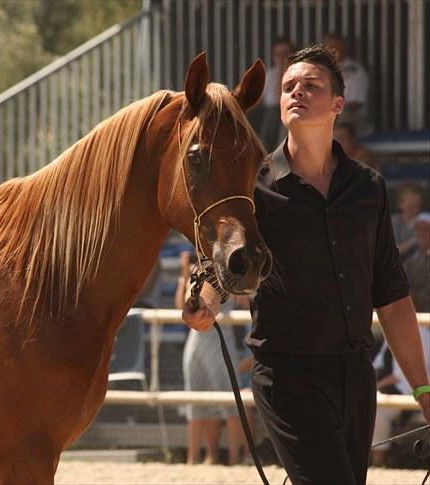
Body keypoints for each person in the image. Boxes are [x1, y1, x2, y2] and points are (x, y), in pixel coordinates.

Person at [182, 44, 430, 485]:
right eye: (289, 86)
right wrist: (204, 301)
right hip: (287, 374)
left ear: (338, 104)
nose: (297, 92)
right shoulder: (254, 187)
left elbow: (391, 298)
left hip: (356, 378)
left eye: (311, 86)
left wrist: (424, 391)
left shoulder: (368, 188)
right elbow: (228, 266)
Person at [176, 251, 246, 465]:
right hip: (196, 341)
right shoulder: (197, 269)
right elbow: (181, 306)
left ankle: (235, 458)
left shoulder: (232, 268)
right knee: (195, 402)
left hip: (220, 337)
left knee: (230, 400)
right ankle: (194, 458)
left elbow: (242, 299)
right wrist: (184, 273)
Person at [372, 212, 430, 466]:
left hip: (412, 318)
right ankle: (377, 463)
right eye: (417, 230)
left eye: (425, 230)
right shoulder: (412, 259)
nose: (421, 235)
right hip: (404, 315)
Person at [324, 33, 372, 135]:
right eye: (328, 48)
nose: (331, 51)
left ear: (344, 48)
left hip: (352, 119)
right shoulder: (320, 71)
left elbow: (354, 104)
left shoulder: (354, 71)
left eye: (335, 47)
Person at [254, 37, 293, 151]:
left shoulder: (297, 75)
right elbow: (259, 99)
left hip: (287, 113)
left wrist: (282, 72)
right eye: (278, 54)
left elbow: (278, 98)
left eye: (285, 54)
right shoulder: (269, 75)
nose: (281, 58)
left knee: (276, 111)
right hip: (268, 115)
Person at [391, 183, 424, 262]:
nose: (416, 210)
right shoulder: (392, 222)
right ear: (400, 204)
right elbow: (392, 253)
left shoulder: (424, 222)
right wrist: (415, 239)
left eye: (418, 206)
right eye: (411, 207)